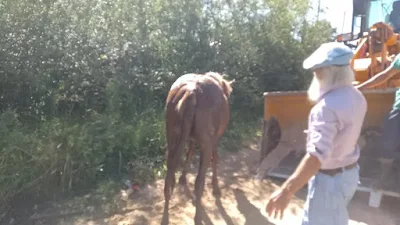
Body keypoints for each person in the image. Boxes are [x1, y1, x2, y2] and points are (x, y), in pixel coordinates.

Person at [265, 42, 367, 225]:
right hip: (348, 175)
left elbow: (317, 156)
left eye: (317, 71)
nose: (315, 75)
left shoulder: (326, 108)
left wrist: (286, 191)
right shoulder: (357, 96)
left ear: (328, 72)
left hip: (330, 181)